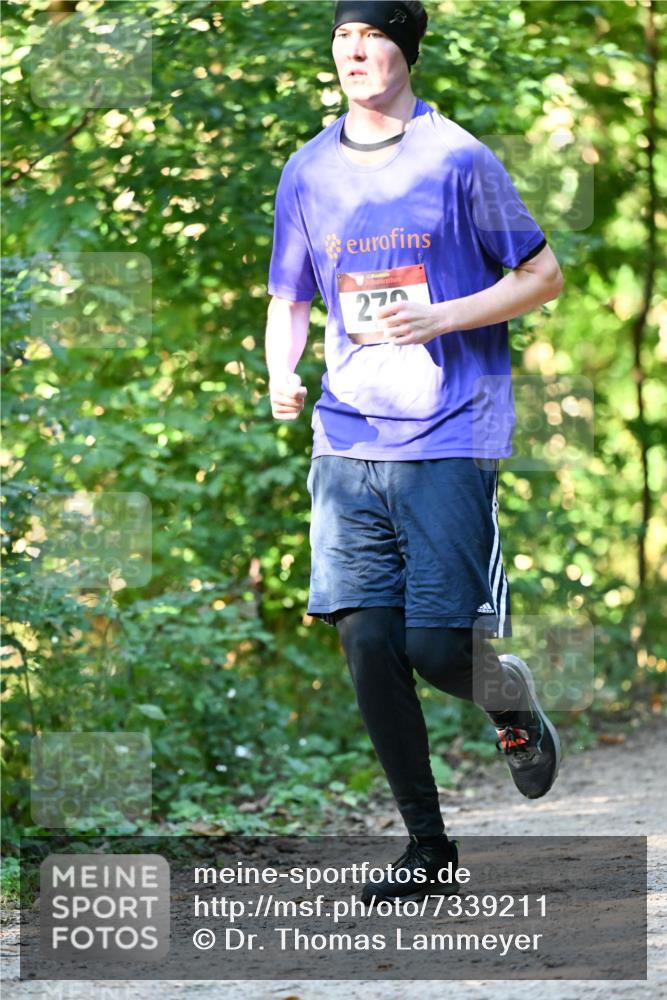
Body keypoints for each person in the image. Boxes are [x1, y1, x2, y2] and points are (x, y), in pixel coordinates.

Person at [265, 0, 563, 904]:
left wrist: (444, 315)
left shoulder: (458, 158)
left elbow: (541, 275)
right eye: (342, 40)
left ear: (405, 49)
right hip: (345, 439)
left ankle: (504, 696)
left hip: (449, 434)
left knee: (438, 648)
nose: (354, 53)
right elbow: (289, 296)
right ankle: (427, 849)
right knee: (365, 643)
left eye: (372, 36)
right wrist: (280, 372)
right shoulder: (306, 170)